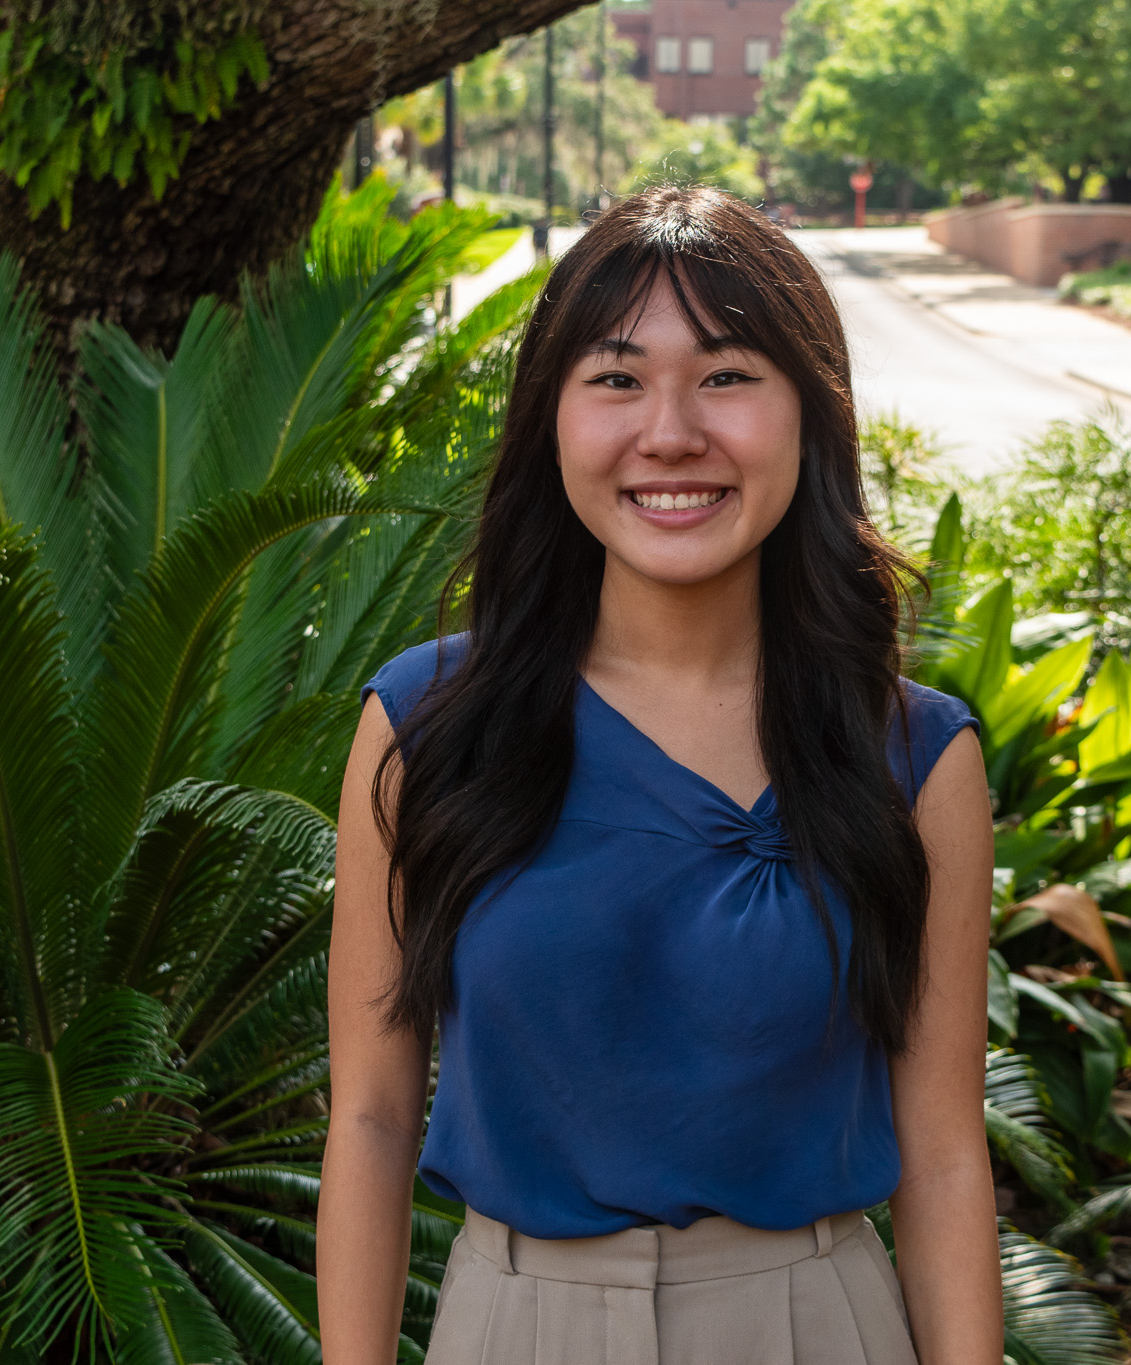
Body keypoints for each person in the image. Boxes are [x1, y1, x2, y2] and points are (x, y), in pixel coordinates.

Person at [318, 185, 1002, 1364]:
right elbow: (373, 1117)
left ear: (808, 416)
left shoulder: (911, 756)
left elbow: (941, 1153)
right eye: (617, 378)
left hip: (817, 1327)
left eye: (728, 375)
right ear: (551, 419)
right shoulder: (427, 723)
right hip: (511, 1326)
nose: (671, 432)